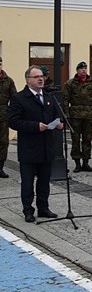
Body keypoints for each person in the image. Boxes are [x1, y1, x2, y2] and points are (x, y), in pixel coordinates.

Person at [8, 65, 64, 221]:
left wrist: (59, 124)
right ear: (28, 80)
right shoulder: (19, 98)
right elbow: (13, 122)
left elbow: (55, 116)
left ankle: (43, 208)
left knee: (44, 181)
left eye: (42, 76)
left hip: (47, 147)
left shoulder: (49, 97)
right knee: (27, 183)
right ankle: (28, 210)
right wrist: (35, 126)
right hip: (29, 148)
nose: (41, 79)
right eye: (36, 77)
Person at [62, 62, 92, 173]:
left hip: (89, 115)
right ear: (77, 70)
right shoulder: (70, 83)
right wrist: (67, 115)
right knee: (75, 140)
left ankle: (86, 162)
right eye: (81, 68)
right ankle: (77, 163)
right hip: (75, 116)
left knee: (87, 140)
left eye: (85, 68)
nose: (84, 70)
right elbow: (65, 100)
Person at [0, 56, 16, 178]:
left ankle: (0, 167)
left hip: (3, 116)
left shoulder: (8, 80)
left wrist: (11, 112)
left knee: (3, 142)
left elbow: (14, 98)